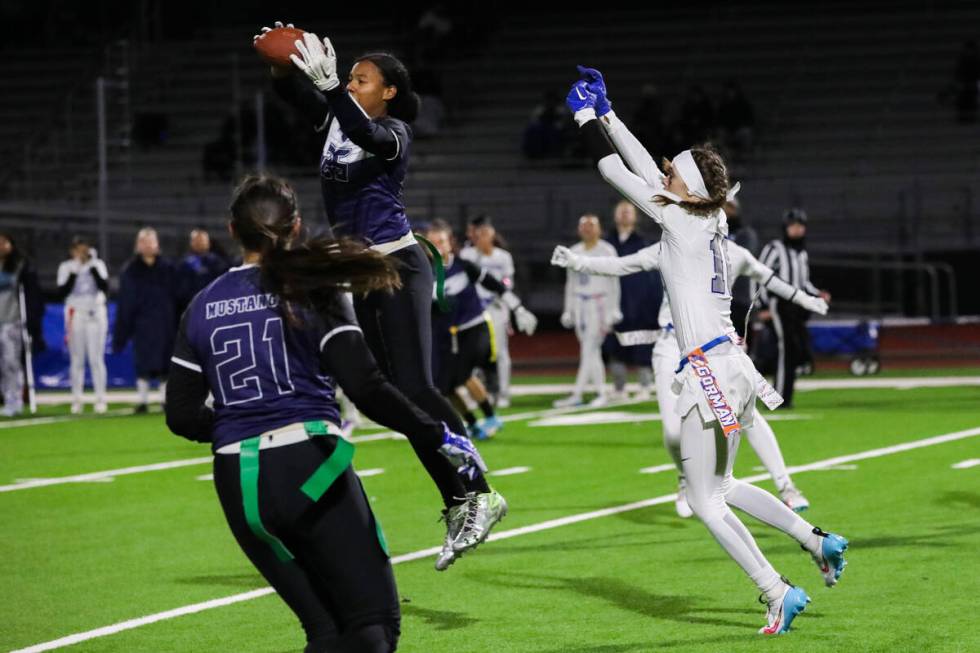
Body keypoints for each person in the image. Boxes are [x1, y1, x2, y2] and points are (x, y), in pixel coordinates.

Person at [567, 68, 847, 634]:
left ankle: (776, 589)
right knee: (719, 487)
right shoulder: (706, 216)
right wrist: (610, 113)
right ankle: (816, 539)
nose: (663, 173)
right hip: (729, 365)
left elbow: (613, 170)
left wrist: (587, 120)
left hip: (708, 370)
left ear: (687, 187)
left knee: (704, 500)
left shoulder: (680, 220)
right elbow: (648, 171)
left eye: (672, 172)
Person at [165, 175, 486, 652]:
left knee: (325, 631)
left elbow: (181, 415)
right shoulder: (311, 288)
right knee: (372, 628)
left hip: (237, 481)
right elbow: (367, 386)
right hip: (309, 467)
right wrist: (435, 431)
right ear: (295, 226)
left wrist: (240, 423)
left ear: (232, 230)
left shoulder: (202, 304)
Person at [260, 26, 506, 560]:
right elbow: (288, 92)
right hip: (363, 270)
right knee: (388, 396)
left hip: (399, 263)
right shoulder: (333, 118)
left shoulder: (395, 129)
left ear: (388, 91)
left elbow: (367, 136)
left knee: (416, 385)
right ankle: (459, 499)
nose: (349, 83)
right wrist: (281, 59)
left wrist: (330, 91)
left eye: (360, 79)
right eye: (348, 77)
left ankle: (481, 492)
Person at [552, 238, 825, 513]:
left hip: (717, 347)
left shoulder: (734, 252)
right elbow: (624, 264)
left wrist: (804, 298)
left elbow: (768, 277)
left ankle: (785, 485)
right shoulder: (670, 246)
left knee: (746, 417)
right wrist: (578, 262)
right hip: (673, 343)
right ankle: (686, 478)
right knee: (673, 433)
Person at [426, 220, 537, 439]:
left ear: (450, 243)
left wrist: (518, 308)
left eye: (441, 241)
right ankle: (473, 424)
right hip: (450, 335)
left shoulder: (464, 265)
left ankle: (491, 416)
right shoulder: (425, 274)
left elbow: (495, 285)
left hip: (476, 326)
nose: (437, 246)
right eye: (432, 243)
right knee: (445, 386)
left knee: (465, 374)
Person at [758, 209, 831, 408]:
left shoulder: (801, 254)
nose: (797, 230)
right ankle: (777, 400)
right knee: (785, 350)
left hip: (796, 307)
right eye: (793, 226)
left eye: (800, 226)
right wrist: (762, 305)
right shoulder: (774, 248)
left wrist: (817, 295)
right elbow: (760, 275)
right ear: (785, 228)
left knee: (794, 352)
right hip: (778, 304)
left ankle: (778, 396)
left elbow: (803, 282)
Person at [554, 214, 620, 408]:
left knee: (589, 349)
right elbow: (570, 283)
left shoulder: (607, 250)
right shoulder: (573, 251)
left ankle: (578, 393)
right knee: (591, 351)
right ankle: (600, 392)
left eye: (591, 225)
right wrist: (568, 310)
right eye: (583, 225)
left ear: (599, 229)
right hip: (580, 304)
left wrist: (613, 309)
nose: (587, 229)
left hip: (599, 304)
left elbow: (613, 281)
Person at [112, 227, 178, 413]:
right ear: (137, 245)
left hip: (166, 324)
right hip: (142, 325)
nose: (148, 246)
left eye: (151, 241)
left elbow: (178, 297)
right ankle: (143, 400)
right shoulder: (130, 270)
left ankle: (165, 400)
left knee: (166, 364)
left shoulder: (168, 268)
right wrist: (122, 333)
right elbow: (125, 303)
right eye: (144, 242)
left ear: (157, 244)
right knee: (143, 363)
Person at [600, 200, 659, 401]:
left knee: (642, 344)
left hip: (640, 303)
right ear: (615, 216)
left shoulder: (644, 242)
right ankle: (619, 388)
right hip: (614, 302)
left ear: (635, 216)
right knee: (614, 346)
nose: (625, 214)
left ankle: (645, 386)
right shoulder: (606, 243)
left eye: (628, 211)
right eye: (621, 211)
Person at [459, 215, 518, 407]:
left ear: (492, 235)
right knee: (474, 352)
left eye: (486, 233)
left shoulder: (503, 256)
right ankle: (479, 394)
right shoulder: (468, 255)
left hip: (496, 307)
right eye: (479, 234)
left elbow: (509, 281)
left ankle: (503, 393)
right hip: (474, 309)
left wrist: (501, 289)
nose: (482, 237)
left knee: (499, 352)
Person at [56, 237, 110, 414]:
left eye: (84, 249)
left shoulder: (98, 264)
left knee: (96, 358)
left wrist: (91, 266)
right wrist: (76, 270)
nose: (81, 252)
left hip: (95, 314)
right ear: (72, 251)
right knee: (77, 359)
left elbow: (104, 286)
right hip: (76, 314)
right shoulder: (66, 267)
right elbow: (62, 291)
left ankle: (100, 398)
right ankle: (77, 399)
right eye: (77, 249)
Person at [0, 232, 43, 417]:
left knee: (11, 363)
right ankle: (5, 397)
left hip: (12, 321)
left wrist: (31, 322)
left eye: (3, 243)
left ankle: (14, 400)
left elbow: (32, 294)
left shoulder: (20, 266)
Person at [176, 228, 229, 310]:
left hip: (213, 305)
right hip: (193, 307)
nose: (200, 243)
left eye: (202, 240)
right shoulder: (185, 264)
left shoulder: (217, 262)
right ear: (191, 243)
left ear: (208, 243)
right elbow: (182, 291)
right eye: (197, 240)